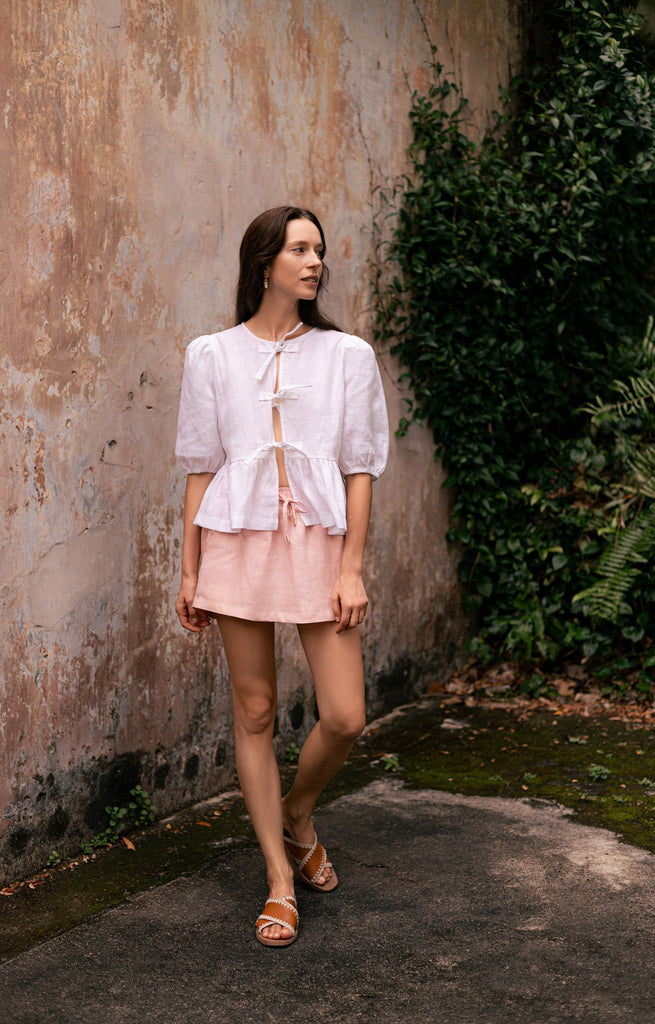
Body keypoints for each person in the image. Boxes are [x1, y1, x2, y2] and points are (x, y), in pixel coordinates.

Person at [174, 206, 389, 948]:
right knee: (256, 711)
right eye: (299, 249)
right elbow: (203, 466)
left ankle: (299, 811)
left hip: (319, 548)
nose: (314, 262)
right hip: (234, 543)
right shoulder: (210, 354)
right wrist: (189, 568)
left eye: (319, 251)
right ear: (263, 261)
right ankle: (275, 877)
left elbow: (360, 467)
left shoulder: (345, 356)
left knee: (344, 714)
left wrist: (352, 567)